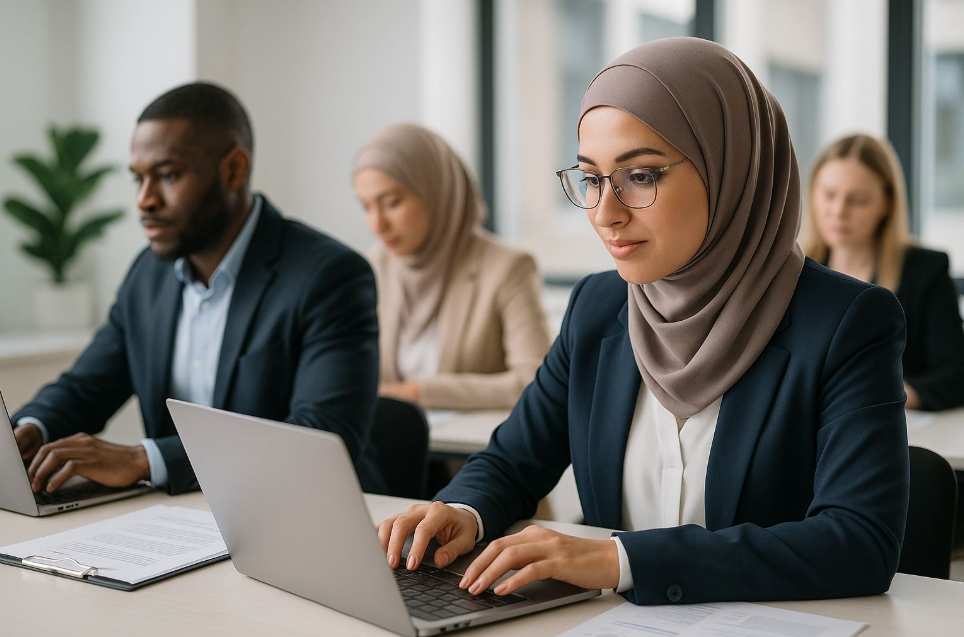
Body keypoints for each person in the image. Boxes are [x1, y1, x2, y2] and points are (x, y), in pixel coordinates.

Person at [376, 38, 909, 605]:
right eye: (591, 179)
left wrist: (621, 558)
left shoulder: (846, 321)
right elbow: (513, 460)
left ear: (731, 169)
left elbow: (859, 542)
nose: (606, 213)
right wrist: (463, 511)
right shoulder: (598, 307)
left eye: (642, 176)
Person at [13, 82, 382, 495]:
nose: (145, 200)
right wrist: (30, 429)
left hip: (298, 516)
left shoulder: (329, 275)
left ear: (234, 170)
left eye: (167, 175)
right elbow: (87, 387)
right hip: (175, 521)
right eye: (138, 179)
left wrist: (143, 460)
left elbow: (321, 440)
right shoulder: (148, 275)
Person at [352, 124, 550, 412]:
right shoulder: (372, 267)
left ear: (435, 192)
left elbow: (535, 381)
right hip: (386, 450)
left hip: (467, 452)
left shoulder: (508, 268)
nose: (377, 225)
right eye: (366, 207)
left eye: (392, 203)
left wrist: (420, 392)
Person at [802, 133, 964, 411]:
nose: (838, 211)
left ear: (887, 203)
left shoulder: (925, 271)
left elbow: (955, 375)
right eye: (828, 195)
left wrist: (879, 396)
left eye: (858, 200)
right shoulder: (794, 271)